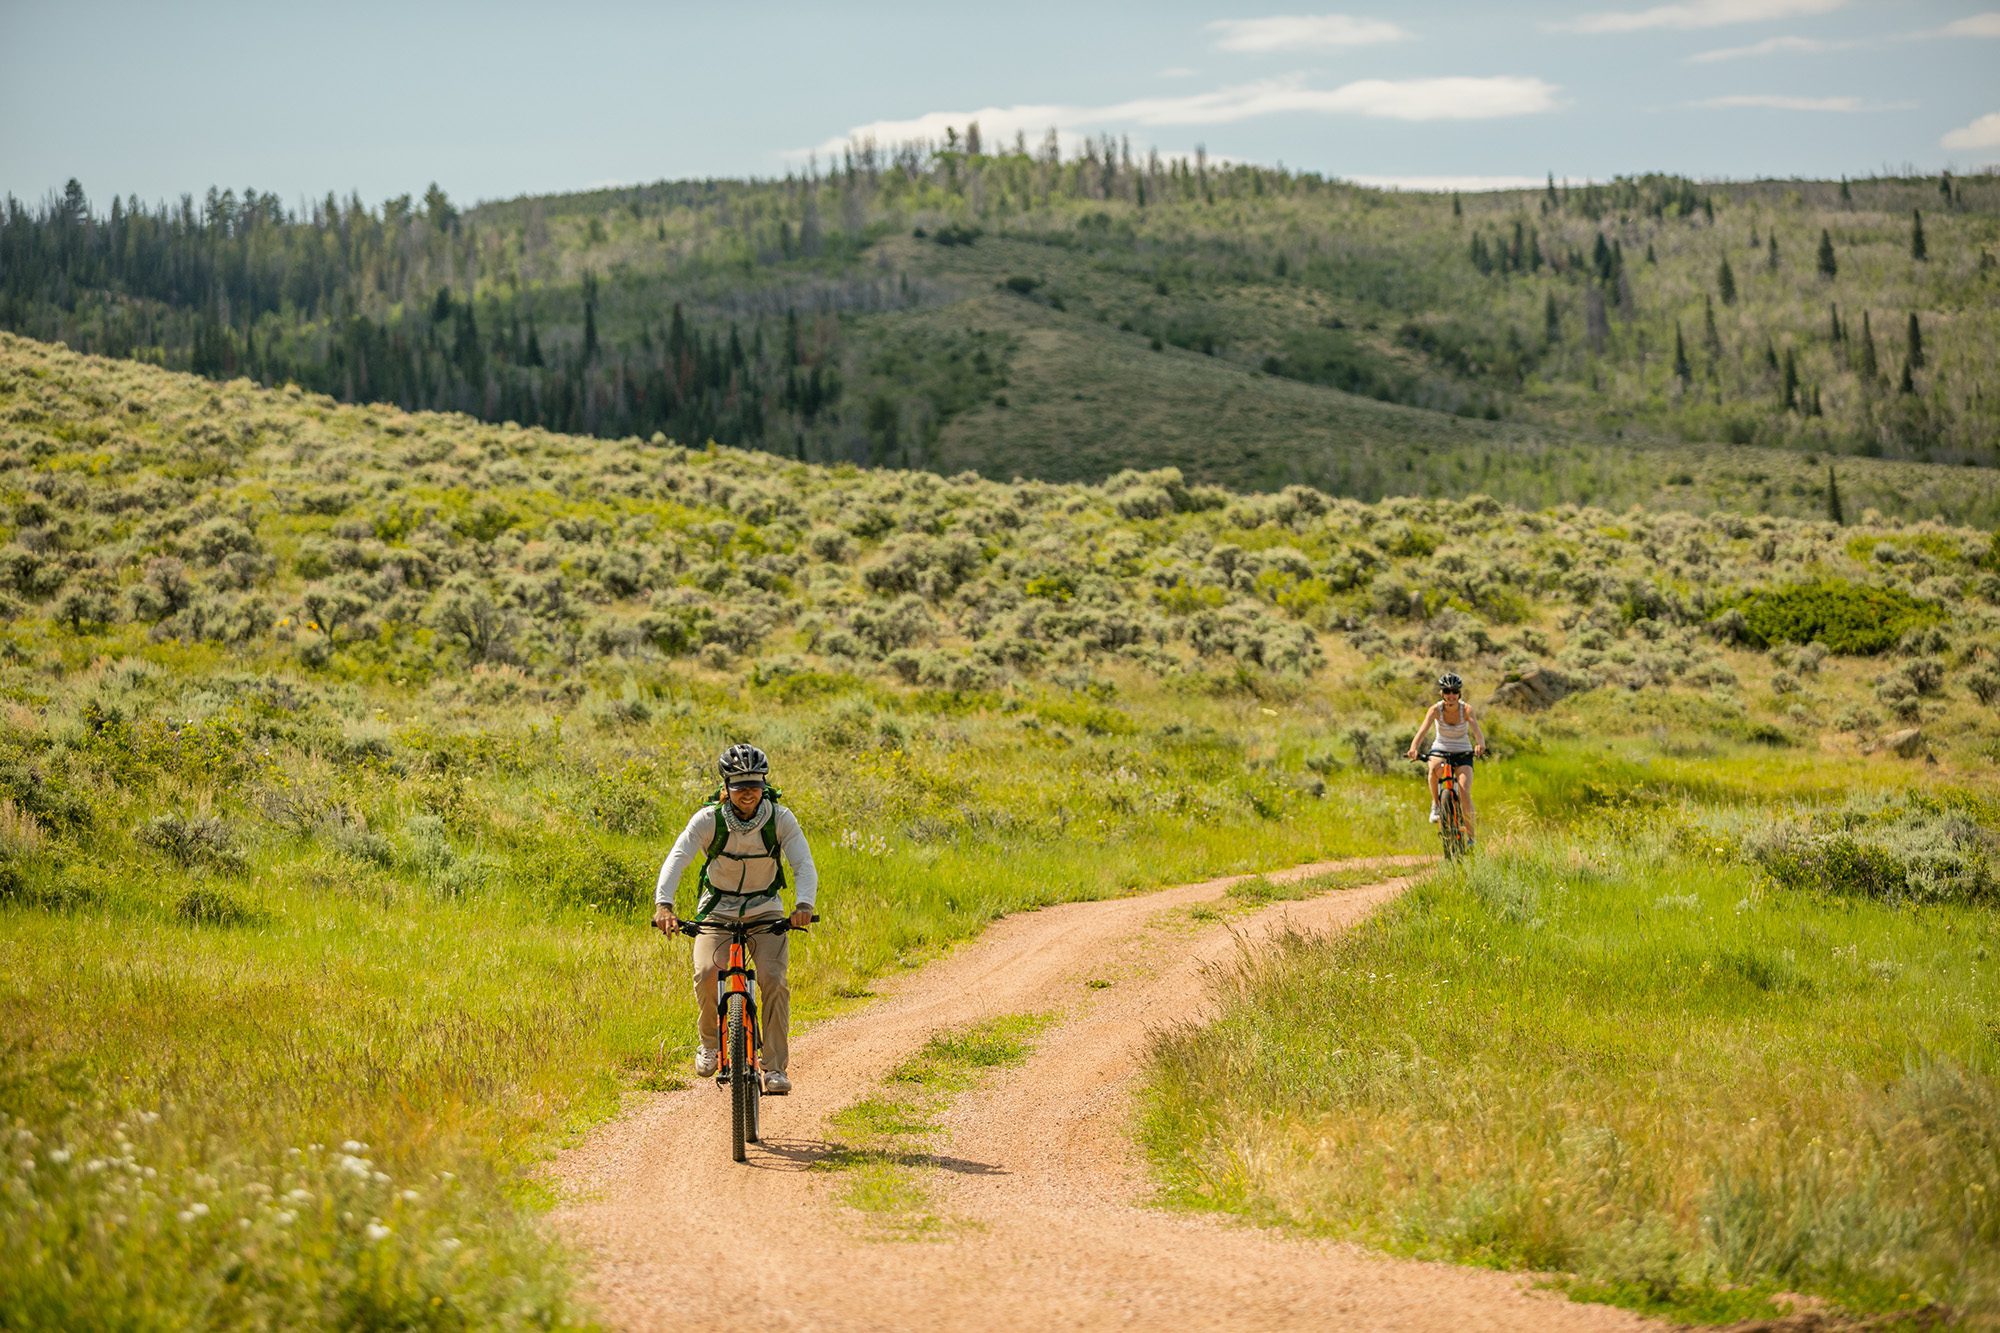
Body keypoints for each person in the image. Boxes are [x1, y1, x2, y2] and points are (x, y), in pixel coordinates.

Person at [652, 744, 818, 1095]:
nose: (748, 793)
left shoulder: (780, 818)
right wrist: (664, 905)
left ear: (764, 785)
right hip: (717, 908)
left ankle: (774, 1069)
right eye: (740, 785)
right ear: (725, 786)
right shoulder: (708, 819)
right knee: (706, 972)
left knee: (773, 978)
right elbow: (677, 858)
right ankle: (710, 1043)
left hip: (766, 908)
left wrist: (803, 904)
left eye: (755, 785)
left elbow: (803, 864)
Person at [1405, 672, 1486, 844]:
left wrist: (1480, 745)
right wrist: (1413, 748)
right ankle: (1436, 804)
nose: (1451, 695)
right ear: (1441, 693)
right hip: (1440, 748)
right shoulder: (1435, 710)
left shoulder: (1466, 709)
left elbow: (1476, 730)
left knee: (1464, 790)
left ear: (1459, 693)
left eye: (1454, 691)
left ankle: (1471, 837)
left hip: (1463, 750)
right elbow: (1422, 731)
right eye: (1447, 691)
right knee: (1433, 768)